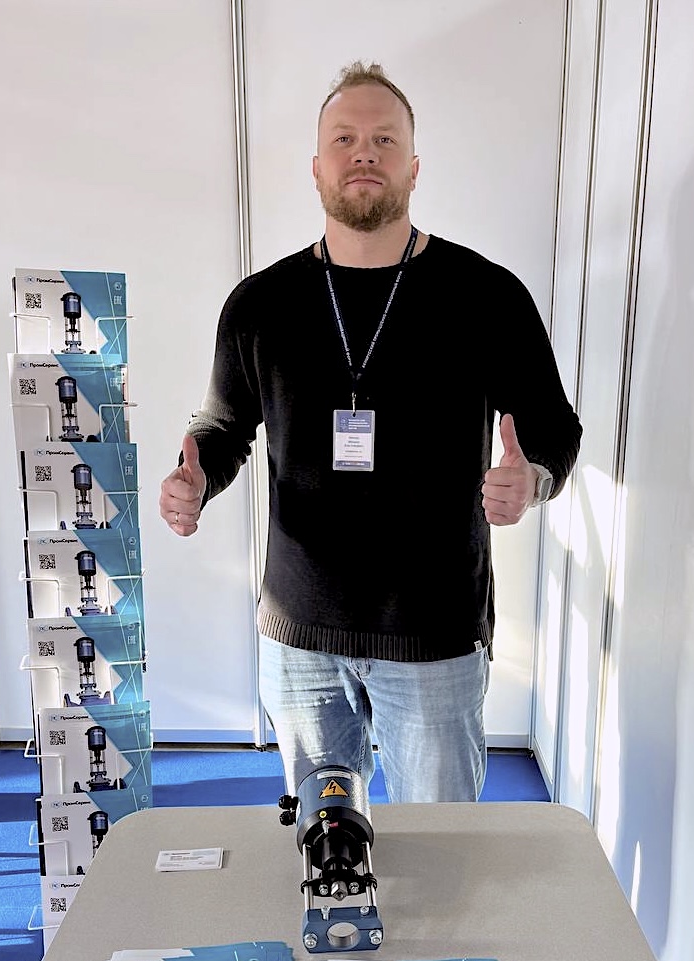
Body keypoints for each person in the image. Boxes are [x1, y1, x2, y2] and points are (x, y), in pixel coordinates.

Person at [160, 61, 581, 803]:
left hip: (432, 632)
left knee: (442, 844)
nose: (364, 153)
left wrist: (535, 480)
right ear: (316, 167)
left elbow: (553, 427)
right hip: (299, 632)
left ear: (413, 167)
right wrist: (197, 478)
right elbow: (223, 425)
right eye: (345, 139)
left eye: (384, 139)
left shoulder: (486, 296)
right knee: (323, 848)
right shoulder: (260, 305)